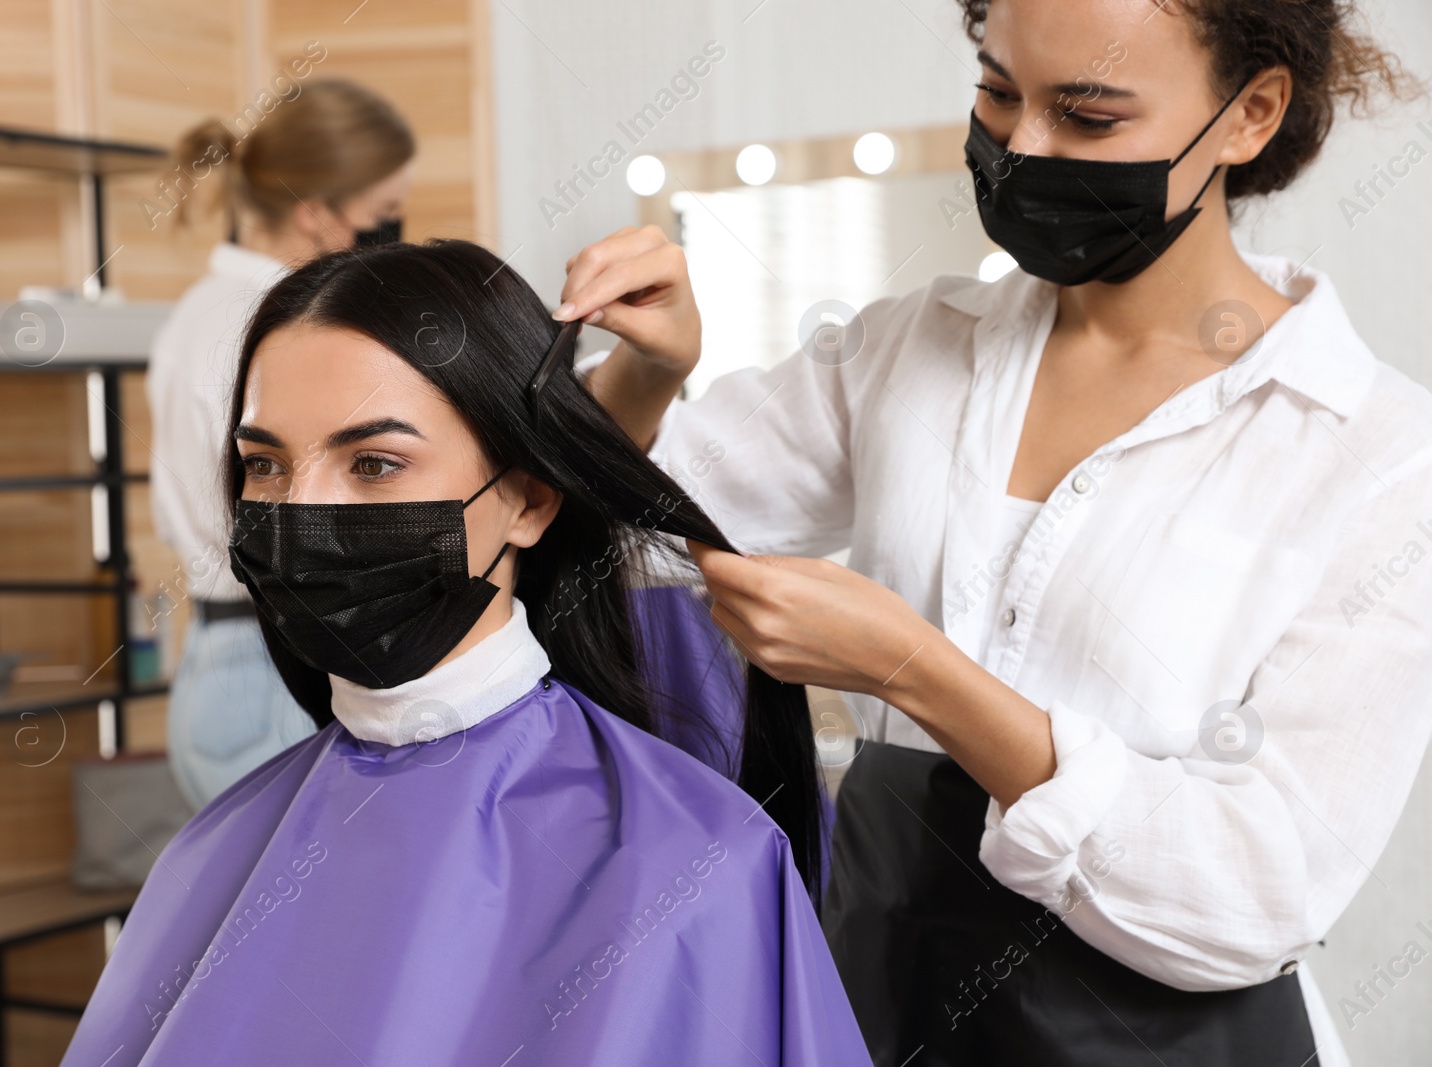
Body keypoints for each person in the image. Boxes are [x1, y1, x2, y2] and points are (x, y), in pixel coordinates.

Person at [558, 1, 1432, 1064]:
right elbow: (604, 529)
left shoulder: (1378, 456)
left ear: (1248, 114)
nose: (1021, 150)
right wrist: (648, 375)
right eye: (998, 92)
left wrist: (914, 668)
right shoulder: (906, 350)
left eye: (1086, 115)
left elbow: (1256, 887)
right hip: (884, 1003)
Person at [61, 240, 869, 1067]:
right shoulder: (212, 851)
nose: (300, 512)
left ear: (529, 500)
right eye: (264, 464)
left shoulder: (697, 865)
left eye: (373, 463)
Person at [147, 79, 415, 809]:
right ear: (317, 214)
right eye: (383, 214)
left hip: (212, 665)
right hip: (279, 669)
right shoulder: (280, 330)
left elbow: (184, 515)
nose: (393, 231)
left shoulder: (192, 314)